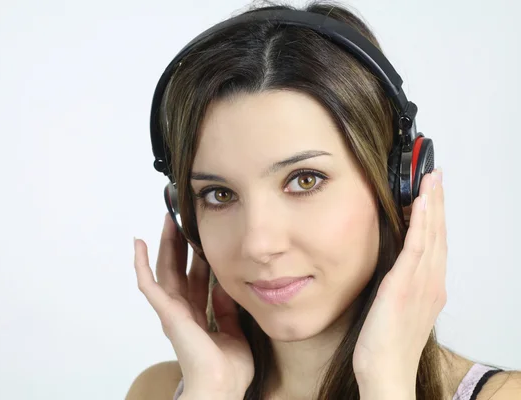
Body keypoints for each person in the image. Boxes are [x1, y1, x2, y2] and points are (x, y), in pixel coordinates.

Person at [126, 1, 521, 399]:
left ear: (402, 185)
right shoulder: (160, 391)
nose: (259, 245)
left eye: (304, 180)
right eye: (220, 194)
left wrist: (385, 383)